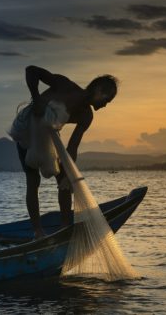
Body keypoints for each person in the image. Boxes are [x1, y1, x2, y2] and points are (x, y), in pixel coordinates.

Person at [9, 65, 118, 239]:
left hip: (48, 134)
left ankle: (65, 227)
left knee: (64, 179)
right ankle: (38, 231)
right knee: (33, 179)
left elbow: (72, 147)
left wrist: (69, 174)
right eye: (107, 99)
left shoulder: (86, 116)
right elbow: (31, 70)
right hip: (28, 128)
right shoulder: (65, 86)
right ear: (99, 90)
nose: (105, 105)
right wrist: (37, 99)